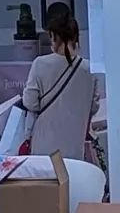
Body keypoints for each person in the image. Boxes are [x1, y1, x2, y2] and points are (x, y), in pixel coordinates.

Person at [19, 9, 98, 161]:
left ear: (54, 37)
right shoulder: (89, 68)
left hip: (44, 146)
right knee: (71, 176)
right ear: (76, 37)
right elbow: (93, 107)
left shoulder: (40, 64)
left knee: (47, 176)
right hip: (75, 146)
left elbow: (30, 103)